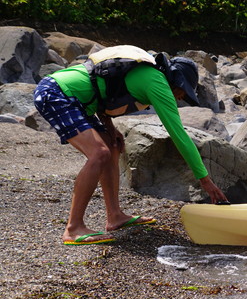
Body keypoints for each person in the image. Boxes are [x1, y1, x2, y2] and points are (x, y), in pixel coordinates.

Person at [33, 45, 229, 245]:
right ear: (176, 81)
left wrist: (110, 128)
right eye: (182, 92)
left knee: (112, 146)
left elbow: (103, 91)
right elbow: (178, 134)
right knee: (99, 154)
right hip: (56, 93)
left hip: (77, 99)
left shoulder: (145, 73)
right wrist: (204, 180)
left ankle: (114, 216)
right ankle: (73, 229)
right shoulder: (156, 82)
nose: (181, 98)